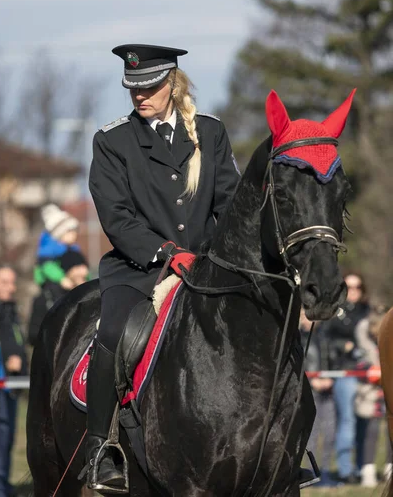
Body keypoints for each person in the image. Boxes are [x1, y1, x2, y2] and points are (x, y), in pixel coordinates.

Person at [87, 43, 240, 492]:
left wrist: (216, 256)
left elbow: (228, 203)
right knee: (113, 332)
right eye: (133, 88)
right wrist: (166, 251)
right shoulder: (112, 140)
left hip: (206, 265)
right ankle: (101, 448)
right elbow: (116, 216)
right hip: (139, 269)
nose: (140, 95)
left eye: (150, 86)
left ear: (172, 84)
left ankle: (282, 438)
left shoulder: (209, 133)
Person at [324, 272, 370, 484]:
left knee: (366, 422)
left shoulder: (367, 312)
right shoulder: (335, 313)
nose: (353, 291)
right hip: (345, 372)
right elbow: (324, 340)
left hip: (368, 375)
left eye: (357, 287)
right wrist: (344, 347)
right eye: (348, 287)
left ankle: (363, 468)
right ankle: (345, 470)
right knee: (348, 421)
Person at [0, 266, 27, 497]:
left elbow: (19, 346)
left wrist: (19, 365)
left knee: (5, 442)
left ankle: (1, 486)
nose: (11, 288)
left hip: (10, 388)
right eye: (5, 282)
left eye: (13, 282)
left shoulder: (11, 310)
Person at [299, 309, 337, 487]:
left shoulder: (325, 336)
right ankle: (311, 474)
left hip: (328, 390)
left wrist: (331, 378)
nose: (308, 318)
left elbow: (334, 360)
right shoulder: (298, 338)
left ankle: (326, 472)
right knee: (311, 436)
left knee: (330, 433)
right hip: (310, 391)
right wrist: (312, 381)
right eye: (304, 315)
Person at [354, 304, 391, 487]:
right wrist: (370, 370)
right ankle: (367, 470)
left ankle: (389, 469)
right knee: (370, 432)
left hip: (387, 391)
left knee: (389, 433)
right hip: (370, 394)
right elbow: (357, 361)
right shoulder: (363, 340)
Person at [28, 250, 89, 347]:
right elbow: (33, 334)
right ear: (67, 270)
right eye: (78, 267)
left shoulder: (89, 295)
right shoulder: (47, 297)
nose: (84, 271)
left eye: (84, 267)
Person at [33, 203, 82, 290]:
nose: (74, 234)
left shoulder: (72, 249)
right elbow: (47, 266)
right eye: (70, 231)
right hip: (53, 286)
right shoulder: (49, 249)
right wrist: (61, 279)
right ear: (60, 233)